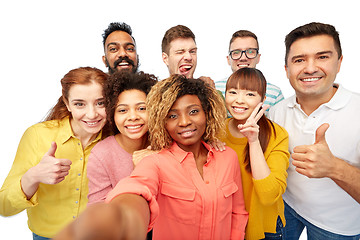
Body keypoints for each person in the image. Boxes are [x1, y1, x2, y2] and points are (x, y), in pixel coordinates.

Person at [54, 75, 249, 240]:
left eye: (194, 112)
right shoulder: (155, 161)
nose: (184, 121)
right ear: (161, 121)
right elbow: (136, 190)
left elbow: (237, 213)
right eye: (172, 116)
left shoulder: (228, 157)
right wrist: (118, 218)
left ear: (208, 114)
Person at [268, 22, 360, 239]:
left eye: (322, 57)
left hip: (338, 228)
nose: (310, 68)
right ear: (286, 69)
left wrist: (335, 168)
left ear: (339, 62)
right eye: (299, 60)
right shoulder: (276, 111)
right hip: (286, 208)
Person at [0, 67, 109, 240]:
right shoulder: (38, 136)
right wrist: (33, 176)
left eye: (100, 103)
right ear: (67, 103)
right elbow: (4, 206)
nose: (92, 114)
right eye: (79, 104)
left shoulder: (116, 140)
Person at [221, 68, 289, 240]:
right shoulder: (216, 131)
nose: (239, 100)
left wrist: (253, 141)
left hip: (264, 228)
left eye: (250, 94)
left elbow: (269, 196)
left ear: (263, 100)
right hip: (226, 223)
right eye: (233, 92)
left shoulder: (277, 135)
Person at [87, 71, 157, 205]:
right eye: (123, 110)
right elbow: (99, 211)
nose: (133, 116)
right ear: (112, 115)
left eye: (142, 108)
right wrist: (139, 173)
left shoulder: (165, 144)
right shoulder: (101, 155)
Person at [215, 30, 284, 109]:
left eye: (250, 51)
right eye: (236, 52)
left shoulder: (275, 93)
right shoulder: (214, 89)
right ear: (228, 59)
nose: (243, 58)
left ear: (258, 57)